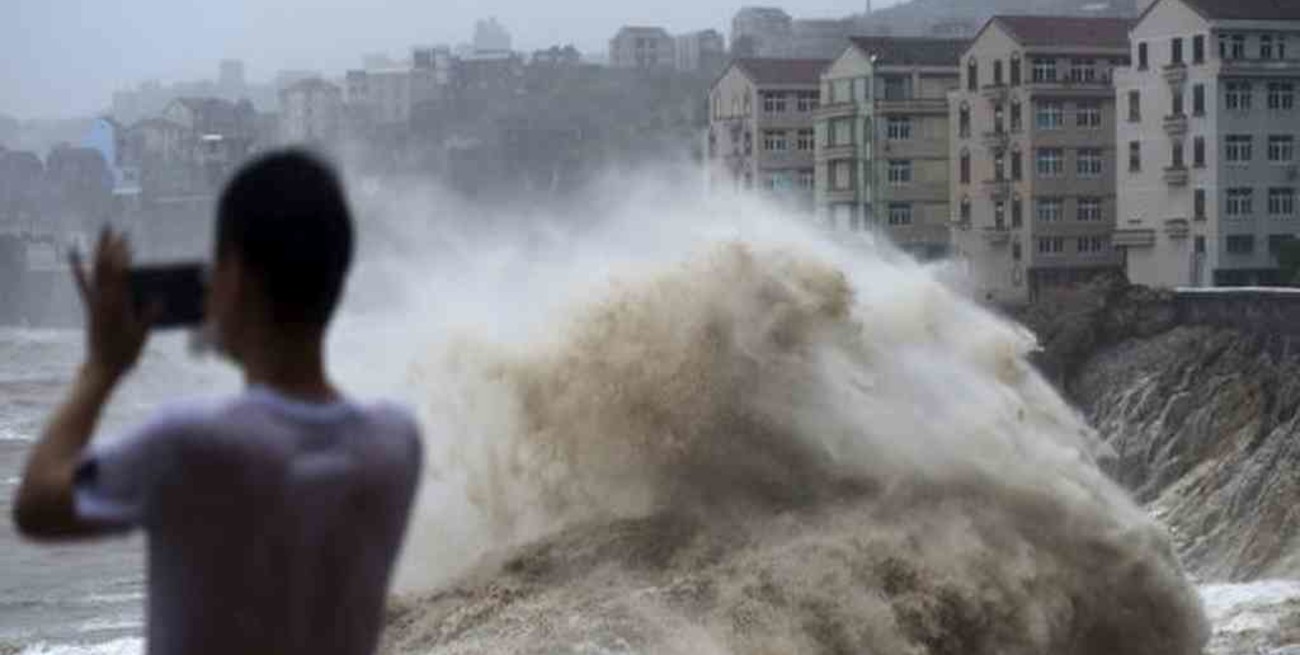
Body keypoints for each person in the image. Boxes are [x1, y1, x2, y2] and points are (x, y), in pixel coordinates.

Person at [11, 150, 423, 655]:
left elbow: (35, 505)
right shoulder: (395, 445)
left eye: (216, 266)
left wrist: (102, 367)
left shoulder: (189, 445)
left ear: (238, 276)